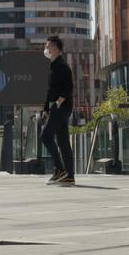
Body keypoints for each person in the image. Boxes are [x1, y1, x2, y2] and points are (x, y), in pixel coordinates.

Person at [41, 35, 75, 186]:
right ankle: (69, 176)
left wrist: (59, 102)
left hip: (62, 106)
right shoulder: (53, 65)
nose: (46, 49)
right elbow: (50, 90)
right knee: (63, 141)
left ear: (56, 48)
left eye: (48, 46)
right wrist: (46, 109)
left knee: (46, 136)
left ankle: (60, 169)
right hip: (56, 106)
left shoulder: (62, 65)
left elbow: (69, 86)